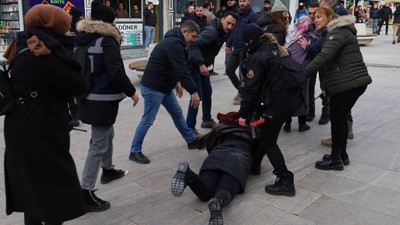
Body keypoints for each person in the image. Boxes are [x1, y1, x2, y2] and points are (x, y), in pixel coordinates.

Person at [2, 4, 86, 224]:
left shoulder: (26, 43)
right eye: (65, 28)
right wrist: (65, 51)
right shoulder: (41, 53)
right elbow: (78, 84)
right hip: (38, 130)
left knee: (34, 192)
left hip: (24, 126)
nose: (69, 33)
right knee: (52, 193)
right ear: (53, 26)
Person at [76, 1, 140, 212]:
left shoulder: (82, 39)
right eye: (114, 20)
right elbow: (116, 71)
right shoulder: (107, 41)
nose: (116, 24)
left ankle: (108, 169)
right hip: (102, 100)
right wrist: (132, 92)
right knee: (99, 142)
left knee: (105, 135)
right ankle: (86, 191)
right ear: (107, 22)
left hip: (86, 97)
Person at [304, 7, 372, 170]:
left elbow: (323, 57)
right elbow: (330, 63)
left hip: (349, 83)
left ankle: (335, 160)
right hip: (349, 83)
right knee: (339, 120)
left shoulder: (337, 32)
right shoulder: (333, 32)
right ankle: (342, 155)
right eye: (314, 17)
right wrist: (325, 86)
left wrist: (301, 74)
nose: (315, 19)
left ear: (329, 17)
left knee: (337, 121)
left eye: (319, 16)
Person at [129, 20, 202, 165]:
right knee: (148, 119)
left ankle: (191, 140)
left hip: (164, 87)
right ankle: (134, 151)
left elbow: (170, 66)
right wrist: (193, 91)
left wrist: (176, 82)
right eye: (192, 37)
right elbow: (181, 68)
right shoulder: (174, 44)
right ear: (184, 32)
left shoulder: (177, 42)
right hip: (153, 88)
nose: (193, 41)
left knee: (177, 114)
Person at [239, 24, 296, 197]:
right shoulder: (275, 48)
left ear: (250, 41)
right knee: (265, 135)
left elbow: (251, 90)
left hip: (275, 105)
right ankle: (255, 164)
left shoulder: (258, 57)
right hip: (287, 101)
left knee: (269, 141)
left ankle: (286, 179)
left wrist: (243, 115)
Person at [171, 118, 257, 225]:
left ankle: (188, 174)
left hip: (216, 156)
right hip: (237, 160)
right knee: (225, 188)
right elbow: (257, 162)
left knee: (206, 193)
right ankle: (218, 202)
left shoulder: (226, 126)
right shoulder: (255, 132)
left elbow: (209, 143)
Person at [186, 12, 237, 135]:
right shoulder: (212, 32)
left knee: (207, 92)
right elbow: (192, 45)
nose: (230, 27)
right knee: (197, 96)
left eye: (232, 25)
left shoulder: (221, 31)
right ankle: (189, 128)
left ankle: (206, 120)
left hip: (202, 65)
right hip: (194, 65)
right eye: (228, 23)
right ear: (222, 19)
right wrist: (200, 64)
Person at [283, 15, 318, 133]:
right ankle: (302, 124)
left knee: (288, 96)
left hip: (288, 69)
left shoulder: (291, 35)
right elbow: (316, 54)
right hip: (302, 71)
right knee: (303, 96)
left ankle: (287, 125)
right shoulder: (312, 38)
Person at [225, 0, 259, 105]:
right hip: (236, 48)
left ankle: (244, 96)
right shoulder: (237, 14)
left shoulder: (253, 15)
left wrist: (250, 47)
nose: (241, 3)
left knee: (242, 74)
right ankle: (241, 91)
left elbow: (255, 32)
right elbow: (233, 30)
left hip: (245, 49)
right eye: (240, 1)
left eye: (244, 1)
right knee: (229, 70)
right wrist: (228, 44)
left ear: (249, 1)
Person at [69, 7, 84, 127]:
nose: (81, 18)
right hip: (71, 62)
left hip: (78, 61)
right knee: (72, 90)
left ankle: (77, 113)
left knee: (77, 88)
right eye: (79, 17)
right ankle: (74, 115)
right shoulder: (68, 29)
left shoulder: (81, 29)